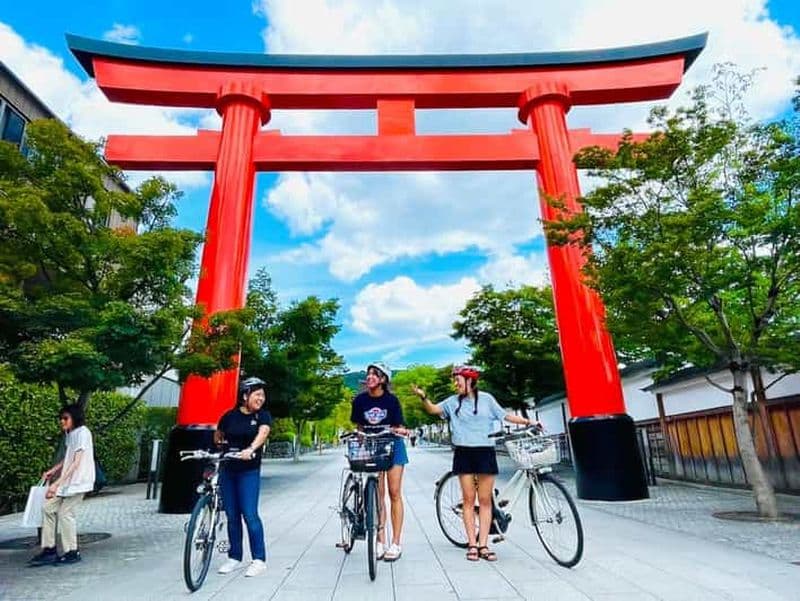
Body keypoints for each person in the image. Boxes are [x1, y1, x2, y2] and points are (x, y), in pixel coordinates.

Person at [412, 365, 535, 562]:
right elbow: (434, 409)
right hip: (463, 453)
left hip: (485, 452)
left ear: (469, 380)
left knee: (485, 500)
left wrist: (528, 422)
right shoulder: (453, 402)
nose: (455, 384)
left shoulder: (486, 399)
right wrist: (423, 397)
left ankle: (484, 544)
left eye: (458, 380)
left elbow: (506, 416)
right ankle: (472, 544)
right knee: (469, 499)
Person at [214, 376, 272, 577]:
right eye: (257, 394)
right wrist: (221, 448)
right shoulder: (229, 416)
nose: (261, 398)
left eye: (262, 395)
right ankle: (234, 556)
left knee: (250, 514)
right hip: (228, 470)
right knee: (231, 515)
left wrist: (251, 449)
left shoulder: (263, 416)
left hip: (249, 471)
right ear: (245, 395)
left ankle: (258, 559)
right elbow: (218, 435)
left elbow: (263, 433)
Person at [350, 362, 408, 561]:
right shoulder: (360, 401)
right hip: (371, 447)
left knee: (394, 493)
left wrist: (399, 431)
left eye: (375, 374)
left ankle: (396, 542)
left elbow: (398, 426)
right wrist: (359, 441)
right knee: (377, 494)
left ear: (383, 379)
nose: (370, 377)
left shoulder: (392, 401)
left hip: (393, 446)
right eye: (368, 374)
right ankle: (380, 540)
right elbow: (359, 426)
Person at [29, 404, 96, 566]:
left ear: (75, 418)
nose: (62, 421)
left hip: (79, 481)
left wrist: (56, 484)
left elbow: (76, 462)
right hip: (69, 483)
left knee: (66, 513)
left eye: (65, 418)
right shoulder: (70, 434)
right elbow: (67, 458)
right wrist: (53, 471)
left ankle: (72, 551)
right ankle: (49, 549)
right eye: (61, 418)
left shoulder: (83, 433)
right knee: (48, 508)